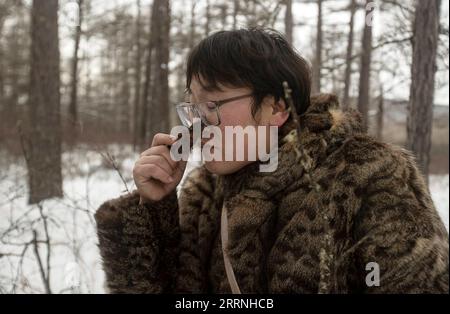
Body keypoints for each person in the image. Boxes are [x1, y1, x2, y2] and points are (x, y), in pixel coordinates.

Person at [94, 28, 449, 293]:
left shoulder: (367, 178)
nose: (197, 125)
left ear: (276, 107)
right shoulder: (204, 194)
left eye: (213, 106)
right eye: (193, 108)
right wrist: (153, 211)